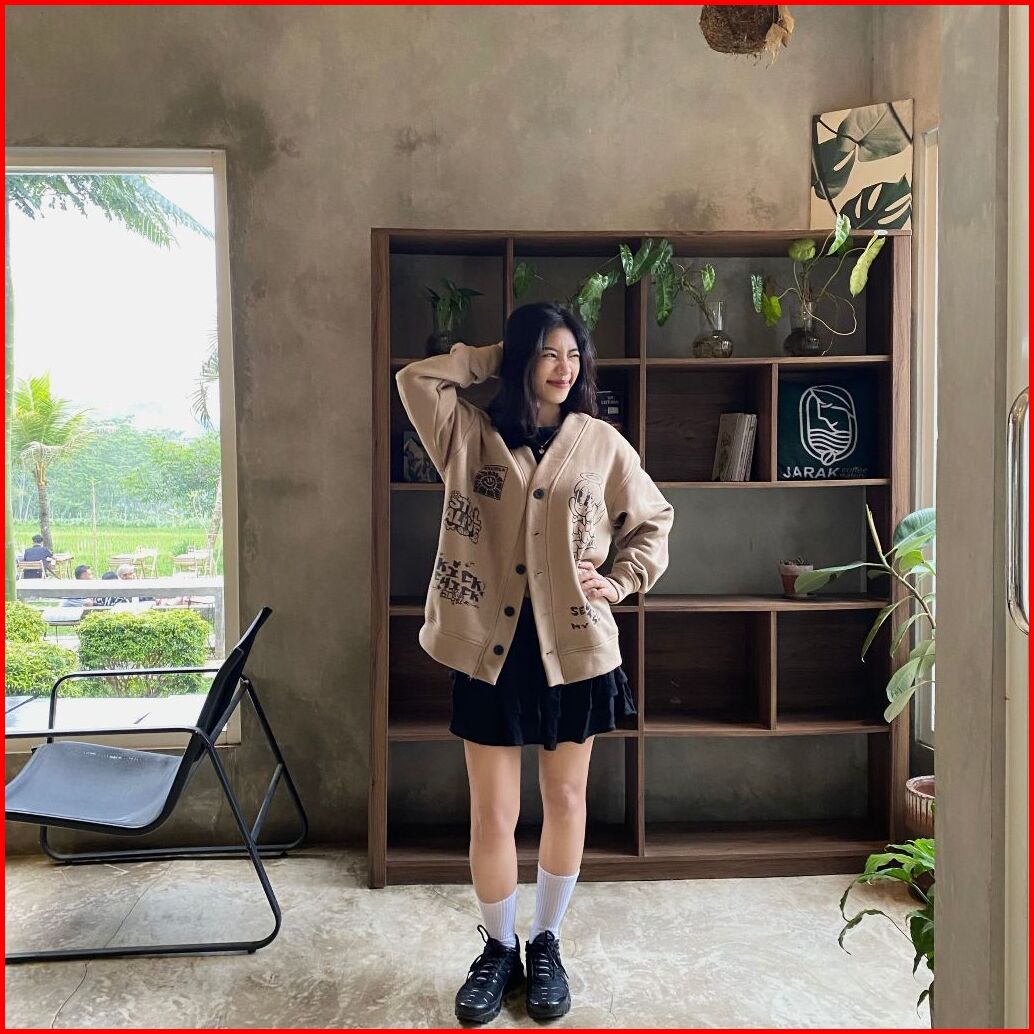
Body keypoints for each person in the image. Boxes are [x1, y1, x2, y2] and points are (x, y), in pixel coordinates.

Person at [395, 302, 674, 1023]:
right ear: (522, 357)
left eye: (574, 355)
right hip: (489, 651)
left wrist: (620, 580)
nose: (564, 368)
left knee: (567, 799)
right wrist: (499, 354)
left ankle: (546, 941)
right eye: (549, 353)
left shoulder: (600, 442)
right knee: (493, 810)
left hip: (574, 649)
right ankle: (498, 948)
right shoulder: (465, 434)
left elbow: (652, 520)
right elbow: (416, 379)